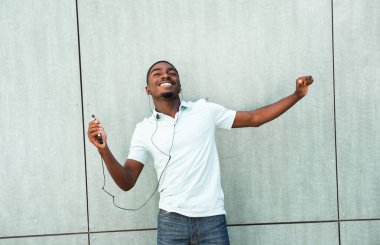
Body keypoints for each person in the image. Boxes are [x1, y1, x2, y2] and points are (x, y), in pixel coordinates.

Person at [87, 61, 314, 245]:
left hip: (211, 219)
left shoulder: (205, 110)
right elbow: (127, 181)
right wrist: (104, 150)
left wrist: (296, 95)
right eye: (157, 73)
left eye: (171, 72)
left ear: (179, 84)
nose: (165, 75)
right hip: (171, 222)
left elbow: (255, 119)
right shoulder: (144, 129)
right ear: (148, 89)